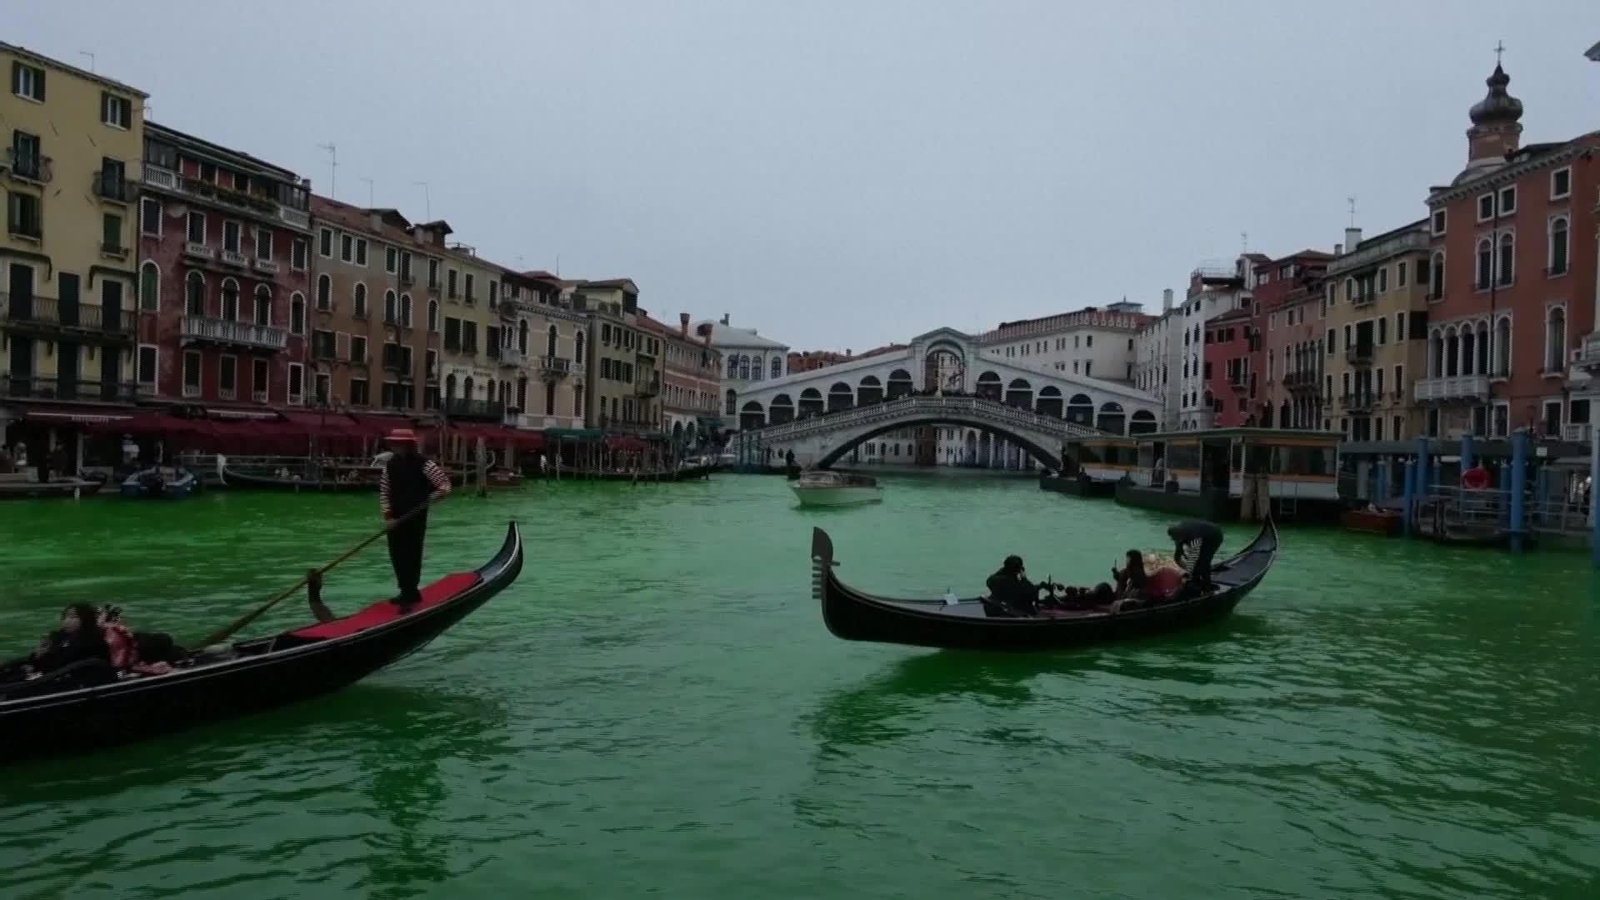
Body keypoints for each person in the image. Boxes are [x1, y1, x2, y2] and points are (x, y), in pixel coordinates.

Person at [379, 428, 452, 609]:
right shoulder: (390, 465)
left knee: (411, 553)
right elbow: (384, 492)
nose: (396, 446)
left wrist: (438, 494)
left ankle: (411, 593)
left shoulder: (424, 464)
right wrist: (388, 517)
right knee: (396, 554)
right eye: (395, 443)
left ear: (409, 444)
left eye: (400, 443)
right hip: (395, 518)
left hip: (416, 515)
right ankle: (405, 590)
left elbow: (445, 485)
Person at [1168, 520, 1224, 587]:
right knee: (1197, 565)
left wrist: (1190, 574)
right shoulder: (1177, 533)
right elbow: (1177, 556)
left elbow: (1193, 558)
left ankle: (1206, 584)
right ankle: (1196, 579)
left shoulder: (1194, 536)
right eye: (1173, 538)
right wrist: (1179, 551)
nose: (1175, 540)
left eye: (1176, 539)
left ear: (1181, 535)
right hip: (1200, 533)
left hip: (1214, 536)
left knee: (1204, 560)